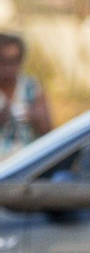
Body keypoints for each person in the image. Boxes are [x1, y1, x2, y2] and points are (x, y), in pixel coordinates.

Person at [0, 32, 52, 160]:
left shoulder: (30, 87)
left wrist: (34, 116)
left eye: (13, 61)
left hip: (25, 164)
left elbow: (49, 131)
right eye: (3, 61)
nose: (8, 67)